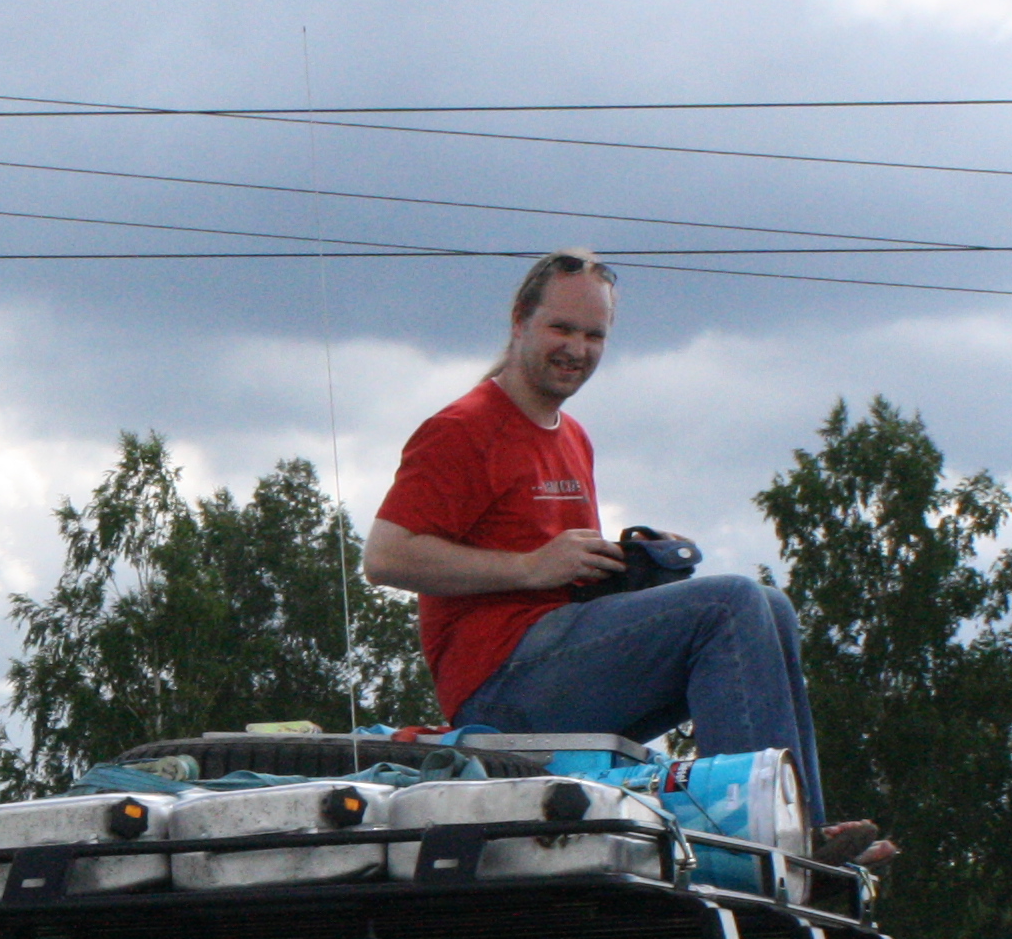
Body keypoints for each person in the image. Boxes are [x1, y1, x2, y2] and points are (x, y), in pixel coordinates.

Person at [363, 249, 890, 860]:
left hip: (557, 659)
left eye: (594, 335)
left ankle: (805, 829)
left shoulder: (573, 436)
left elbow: (564, 580)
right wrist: (530, 567)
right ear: (520, 320)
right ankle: (755, 832)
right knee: (732, 603)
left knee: (769, 607)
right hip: (498, 687)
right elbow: (386, 556)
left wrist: (624, 578)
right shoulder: (464, 427)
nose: (577, 349)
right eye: (562, 328)